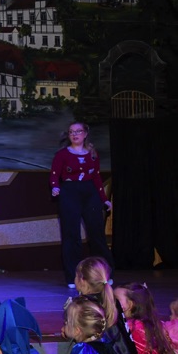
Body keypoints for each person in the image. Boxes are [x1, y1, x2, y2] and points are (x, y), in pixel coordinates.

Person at [49, 121, 114, 288]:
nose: (74, 134)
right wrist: (55, 187)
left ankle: (104, 275)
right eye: (71, 132)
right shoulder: (62, 154)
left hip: (89, 192)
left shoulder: (92, 154)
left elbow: (97, 178)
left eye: (78, 131)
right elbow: (54, 175)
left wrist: (104, 199)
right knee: (71, 236)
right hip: (70, 192)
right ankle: (73, 277)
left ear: (85, 134)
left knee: (97, 234)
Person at [73, 256, 150, 354]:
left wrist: (69, 330)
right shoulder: (111, 300)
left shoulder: (85, 305)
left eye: (75, 275)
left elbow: (82, 333)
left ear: (82, 280)